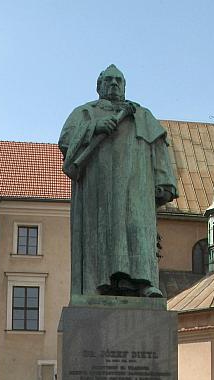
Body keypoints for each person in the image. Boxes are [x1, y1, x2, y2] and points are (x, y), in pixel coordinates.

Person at [59, 64, 178, 297]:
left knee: (136, 230)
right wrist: (94, 127)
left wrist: (163, 180)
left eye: (118, 81)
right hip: (99, 187)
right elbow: (65, 142)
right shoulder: (85, 113)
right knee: (103, 234)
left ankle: (144, 283)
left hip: (137, 186)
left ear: (124, 86)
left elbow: (160, 146)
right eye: (109, 80)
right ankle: (99, 285)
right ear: (99, 86)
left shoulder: (141, 114)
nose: (114, 84)